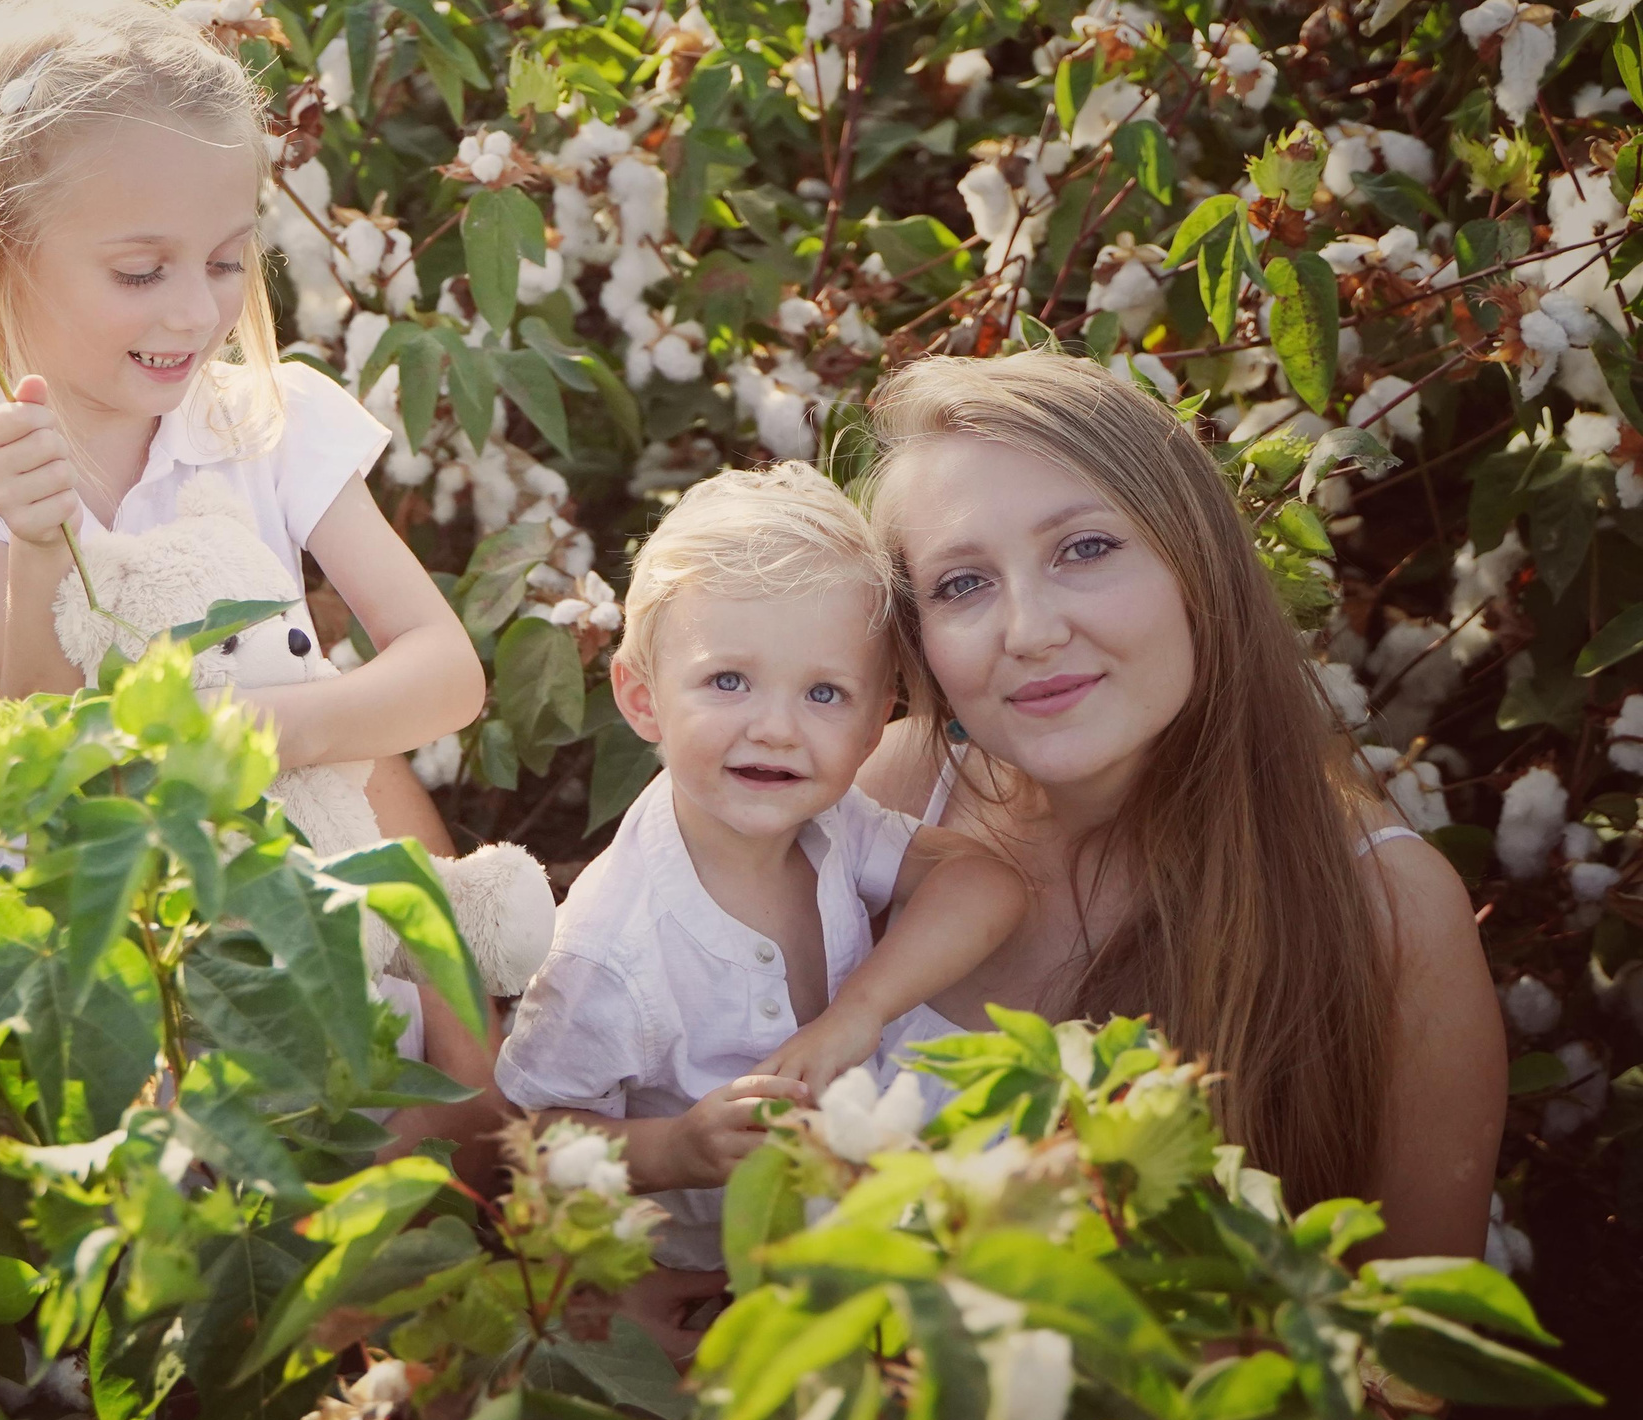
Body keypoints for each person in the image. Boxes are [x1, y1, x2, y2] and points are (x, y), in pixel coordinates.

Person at [0, 0, 494, 1103]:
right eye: (141, 271)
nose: (194, 310)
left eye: (227, 260)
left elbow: (443, 675)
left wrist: (253, 733)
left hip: (332, 915)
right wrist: (39, 544)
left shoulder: (262, 423)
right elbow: (40, 756)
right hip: (115, 960)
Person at [855, 350, 1506, 1259]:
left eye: (1085, 549)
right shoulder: (883, 801)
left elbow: (1415, 1366)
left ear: (1198, 565)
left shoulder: (1386, 905)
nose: (1032, 631)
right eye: (962, 584)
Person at [495, 463, 1027, 1305]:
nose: (776, 728)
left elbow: (986, 882)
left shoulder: (834, 828)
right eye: (727, 681)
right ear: (642, 700)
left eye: (825, 692)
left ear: (873, 722)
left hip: (857, 1197)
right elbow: (525, 1135)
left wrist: (859, 1014)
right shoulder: (612, 946)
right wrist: (675, 1149)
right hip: (716, 1271)